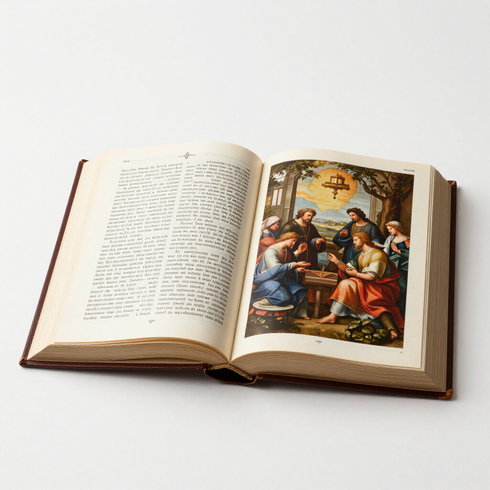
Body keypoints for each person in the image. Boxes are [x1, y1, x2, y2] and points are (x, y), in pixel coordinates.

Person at [317, 232, 404, 339]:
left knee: (374, 303)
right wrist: (337, 262)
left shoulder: (378, 254)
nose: (353, 242)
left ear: (364, 240)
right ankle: (332, 316)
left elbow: (372, 276)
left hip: (381, 287)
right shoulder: (360, 255)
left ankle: (391, 329)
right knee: (347, 283)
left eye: (355, 240)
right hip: (365, 284)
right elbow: (349, 271)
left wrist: (356, 274)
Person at [252, 232, 311, 319]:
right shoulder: (271, 252)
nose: (294, 243)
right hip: (267, 280)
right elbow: (276, 270)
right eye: (293, 240)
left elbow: (287, 263)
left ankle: (298, 314)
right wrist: (295, 265)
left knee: (300, 291)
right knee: (284, 297)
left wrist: (298, 253)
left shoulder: (286, 250)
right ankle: (264, 302)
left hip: (280, 278)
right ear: (285, 238)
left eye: (295, 241)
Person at [383, 221, 410, 318]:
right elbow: (385, 251)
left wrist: (398, 251)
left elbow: (411, 254)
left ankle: (402, 314)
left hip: (401, 268)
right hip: (391, 267)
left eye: (391, 228)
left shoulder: (407, 240)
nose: (389, 231)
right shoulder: (390, 239)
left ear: (397, 227)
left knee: (401, 289)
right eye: (388, 229)